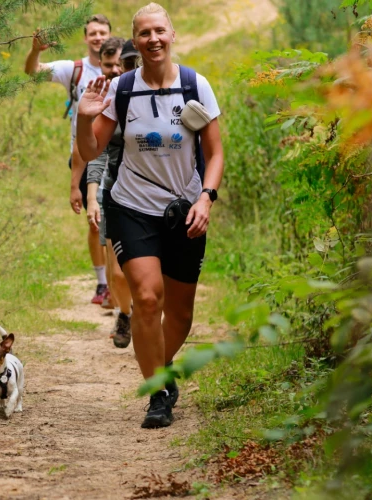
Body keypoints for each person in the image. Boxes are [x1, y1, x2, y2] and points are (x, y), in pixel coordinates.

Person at [75, 2, 224, 429]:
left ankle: (161, 367)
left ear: (172, 35)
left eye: (160, 31)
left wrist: (206, 199)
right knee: (145, 298)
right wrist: (86, 121)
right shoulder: (122, 89)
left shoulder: (196, 85)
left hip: (185, 211)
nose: (153, 39)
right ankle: (157, 395)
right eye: (144, 33)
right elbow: (90, 153)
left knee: (179, 314)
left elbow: (214, 154)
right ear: (135, 41)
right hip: (132, 206)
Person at [25, 14, 112, 305]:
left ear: (110, 35)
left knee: (116, 219)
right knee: (95, 220)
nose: (98, 38)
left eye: (103, 33)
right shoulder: (74, 70)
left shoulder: (123, 67)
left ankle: (118, 282)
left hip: (118, 153)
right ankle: (103, 284)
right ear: (86, 38)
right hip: (84, 153)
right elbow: (32, 72)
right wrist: (36, 50)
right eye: (93, 33)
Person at [83, 37, 133, 348]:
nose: (117, 71)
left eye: (123, 65)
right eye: (112, 65)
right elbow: (95, 152)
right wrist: (91, 195)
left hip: (158, 193)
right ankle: (126, 313)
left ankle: (145, 314)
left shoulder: (148, 93)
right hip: (115, 190)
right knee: (119, 272)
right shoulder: (106, 100)